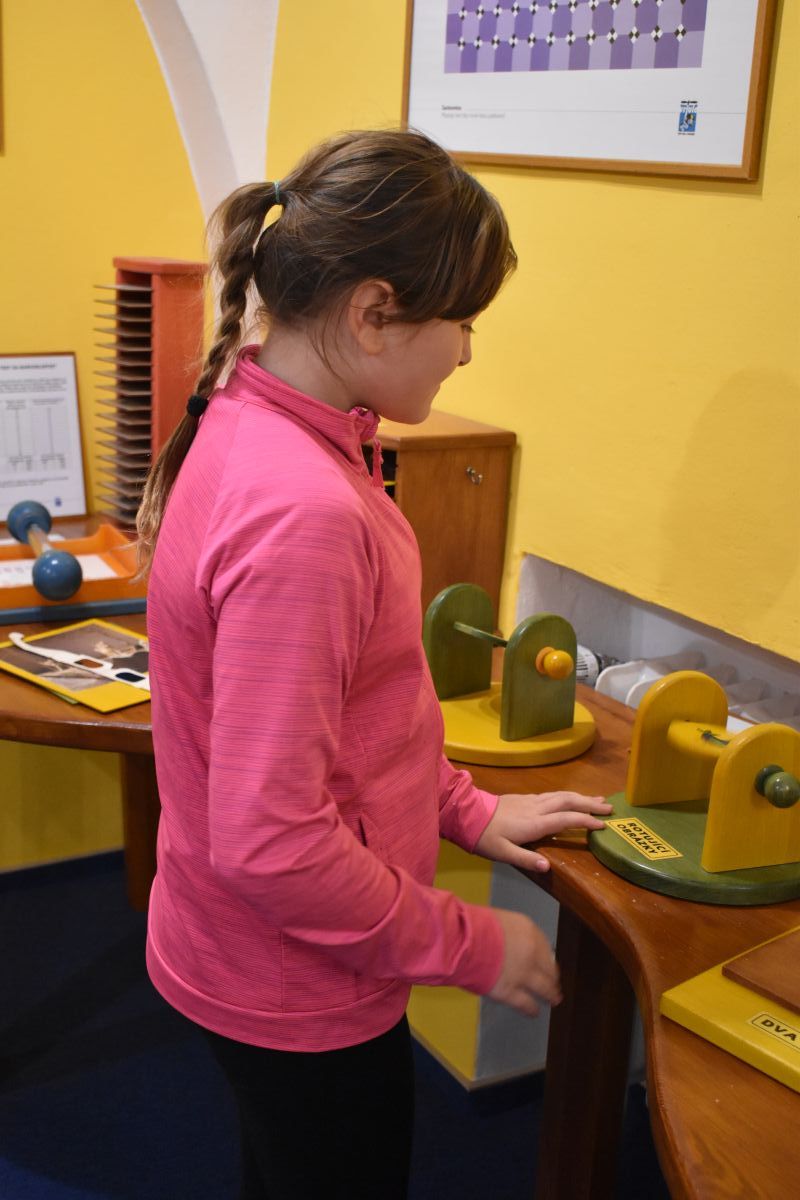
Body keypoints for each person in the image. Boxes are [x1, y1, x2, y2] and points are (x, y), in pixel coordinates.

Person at [136, 128, 611, 1200]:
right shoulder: (303, 511)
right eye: (463, 321)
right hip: (295, 980)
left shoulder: (258, 414)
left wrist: (464, 808)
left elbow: (361, 715)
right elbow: (271, 841)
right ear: (372, 312)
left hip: (244, 949)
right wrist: (468, 943)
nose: (467, 352)